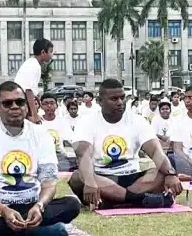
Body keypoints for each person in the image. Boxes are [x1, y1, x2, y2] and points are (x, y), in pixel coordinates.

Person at [0, 81, 80, 236]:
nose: (14, 107)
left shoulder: (40, 133)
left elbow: (49, 181)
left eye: (20, 102)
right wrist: (3, 210)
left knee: (72, 204)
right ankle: (42, 230)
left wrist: (40, 206)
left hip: (33, 205)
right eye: (7, 103)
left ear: (26, 106)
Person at [69, 79, 182, 209]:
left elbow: (156, 151)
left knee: (164, 170)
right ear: (100, 102)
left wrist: (170, 174)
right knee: (78, 178)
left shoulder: (137, 120)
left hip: (133, 178)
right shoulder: (86, 122)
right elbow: (82, 156)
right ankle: (139, 200)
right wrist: (89, 181)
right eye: (114, 99)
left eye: (122, 98)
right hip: (102, 177)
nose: (120, 103)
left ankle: (114, 200)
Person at [14, 38, 53, 123]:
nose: (51, 55)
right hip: (21, 102)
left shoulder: (31, 63)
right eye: (50, 52)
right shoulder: (34, 66)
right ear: (43, 52)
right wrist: (34, 115)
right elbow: (28, 91)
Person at [39, 92, 76, 172]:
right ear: (41, 106)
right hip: (41, 156)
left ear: (56, 105)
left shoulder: (62, 121)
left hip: (59, 156)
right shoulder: (38, 121)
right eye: (45, 103)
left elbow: (70, 140)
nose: (49, 106)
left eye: (52, 103)